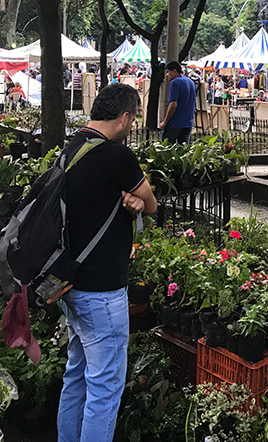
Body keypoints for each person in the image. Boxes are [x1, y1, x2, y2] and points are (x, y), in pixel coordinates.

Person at [57, 84, 157, 442]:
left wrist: (126, 203)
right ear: (125, 117)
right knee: (105, 387)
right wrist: (136, 201)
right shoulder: (116, 156)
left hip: (69, 285)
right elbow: (152, 203)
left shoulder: (72, 148)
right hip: (102, 292)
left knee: (76, 375)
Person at [159, 61, 196, 144]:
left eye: (168, 72)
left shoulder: (175, 83)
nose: (166, 75)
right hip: (188, 123)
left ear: (174, 71)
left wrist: (165, 122)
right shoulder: (191, 82)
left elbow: (173, 104)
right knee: (183, 151)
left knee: (166, 149)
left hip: (174, 123)